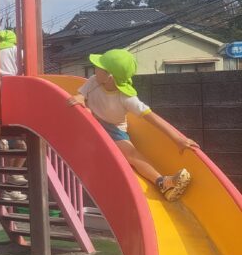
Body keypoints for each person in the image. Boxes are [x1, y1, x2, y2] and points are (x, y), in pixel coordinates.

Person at [67, 49, 195, 201]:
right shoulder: (94, 81)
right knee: (86, 112)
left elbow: (152, 118)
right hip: (92, 122)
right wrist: (80, 98)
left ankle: (162, 183)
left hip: (113, 129)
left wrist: (178, 139)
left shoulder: (126, 98)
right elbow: (81, 95)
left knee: (132, 155)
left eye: (99, 67)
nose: (95, 69)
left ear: (109, 76)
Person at [0, 30, 29, 203]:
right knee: (21, 144)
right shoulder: (16, 51)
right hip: (14, 94)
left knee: (10, 144)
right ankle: (12, 180)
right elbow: (26, 61)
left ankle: (11, 183)